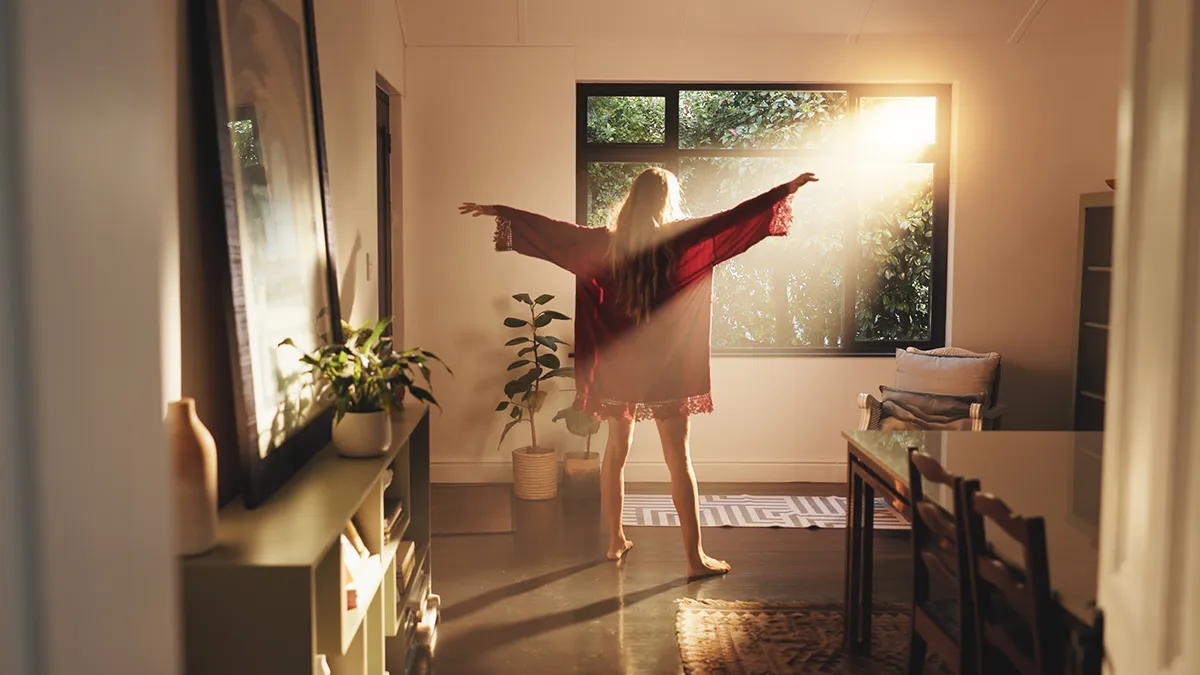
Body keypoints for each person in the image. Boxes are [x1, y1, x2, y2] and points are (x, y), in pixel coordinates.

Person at [460, 168, 818, 579]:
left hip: (621, 370)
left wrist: (499, 210)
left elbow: (554, 233)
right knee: (679, 460)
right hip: (667, 370)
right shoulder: (681, 237)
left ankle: (615, 540)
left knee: (616, 452)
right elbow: (731, 220)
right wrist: (784, 190)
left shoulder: (604, 243)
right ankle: (694, 558)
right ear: (666, 200)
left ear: (632, 198)